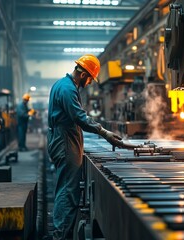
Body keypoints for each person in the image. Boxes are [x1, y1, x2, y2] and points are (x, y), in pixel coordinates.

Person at [47, 54, 123, 240]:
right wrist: (104, 133)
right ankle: (61, 235)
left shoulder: (62, 84)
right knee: (68, 190)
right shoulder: (67, 89)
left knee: (65, 186)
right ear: (83, 75)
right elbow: (79, 117)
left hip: (63, 137)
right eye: (90, 79)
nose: (90, 83)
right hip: (65, 141)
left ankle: (61, 232)